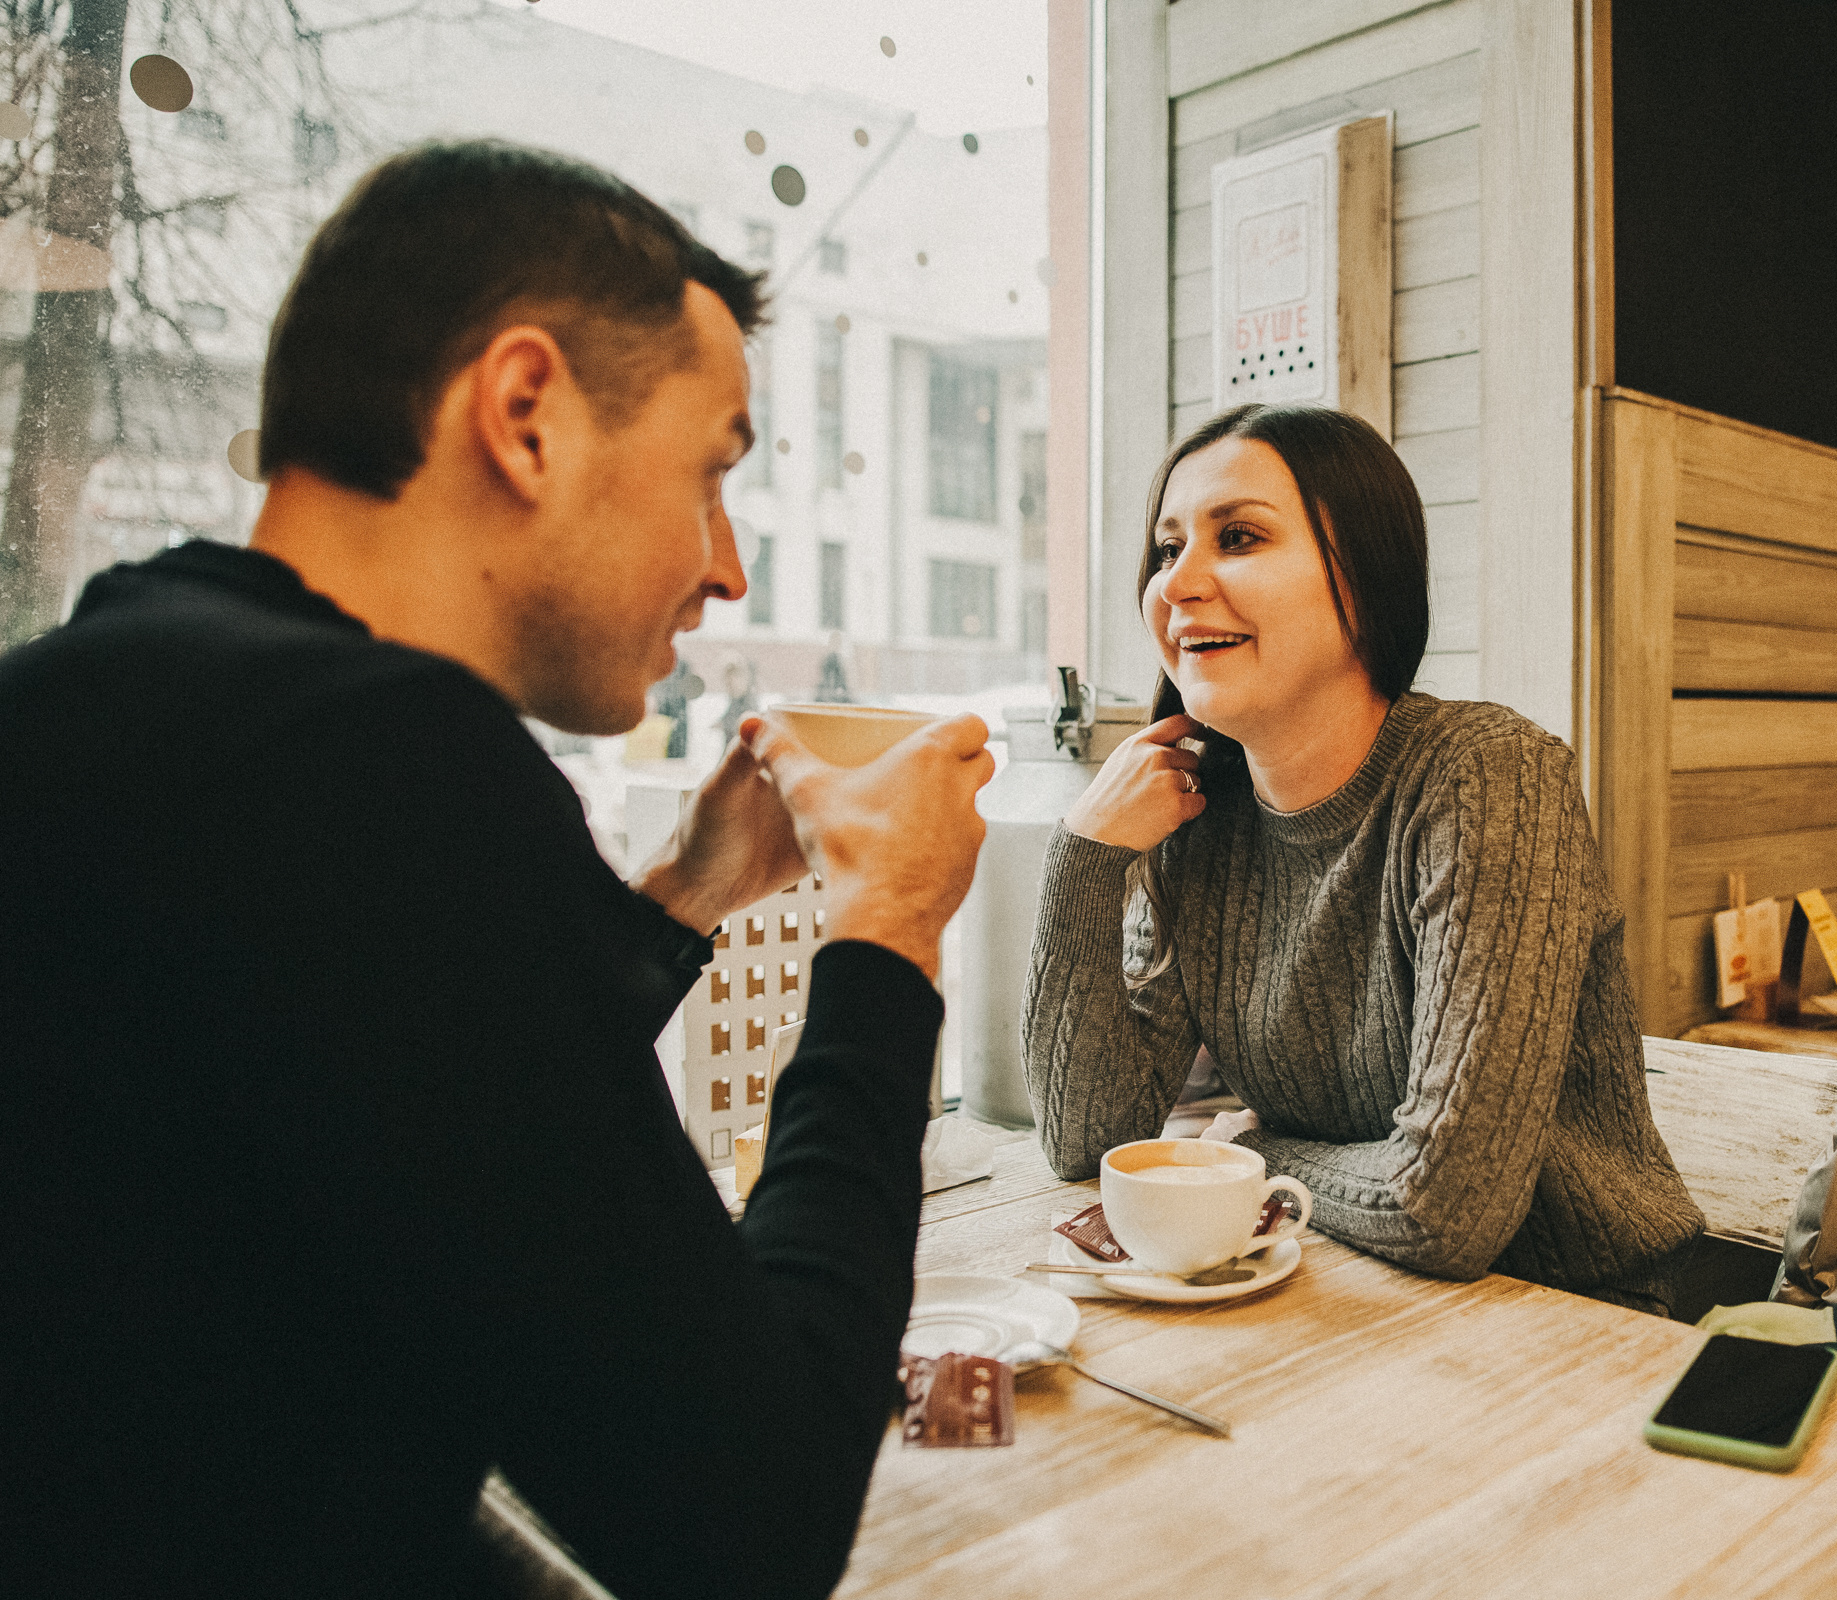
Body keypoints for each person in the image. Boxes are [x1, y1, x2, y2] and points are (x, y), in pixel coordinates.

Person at [0, 142, 991, 1599]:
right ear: (526, 414)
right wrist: (890, 928)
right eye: (712, 473)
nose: (728, 565)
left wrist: (681, 900)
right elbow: (751, 1518)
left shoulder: (112, 686)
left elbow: (408, 1126)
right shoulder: (387, 755)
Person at [1023, 404, 1703, 1313]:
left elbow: (1445, 1210)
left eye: (1238, 537)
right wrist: (1083, 857)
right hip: (1349, 1289)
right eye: (1167, 548)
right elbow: (1088, 1142)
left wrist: (1250, 1155)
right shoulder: (1200, 822)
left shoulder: (1488, 775)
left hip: (1582, 1318)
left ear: (1365, 574)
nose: (1176, 584)